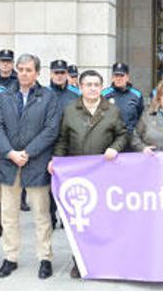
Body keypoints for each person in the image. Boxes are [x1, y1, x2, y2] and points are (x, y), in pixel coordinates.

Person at [49, 69, 127, 278]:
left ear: (102, 87)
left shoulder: (112, 111)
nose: (92, 88)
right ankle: (79, 261)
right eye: (88, 85)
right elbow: (62, 140)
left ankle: (103, 259)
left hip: (104, 174)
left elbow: (122, 134)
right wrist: (57, 161)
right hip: (77, 175)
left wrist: (116, 148)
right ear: (81, 87)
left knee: (103, 219)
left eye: (96, 85)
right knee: (78, 222)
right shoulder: (70, 110)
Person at [0, 53, 60, 280]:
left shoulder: (48, 97)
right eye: (20, 69)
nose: (23, 73)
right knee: (8, 215)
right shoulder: (4, 96)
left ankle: (45, 258)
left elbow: (51, 130)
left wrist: (28, 152)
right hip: (9, 163)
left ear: (37, 73)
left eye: (28, 70)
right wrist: (11, 153)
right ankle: (10, 257)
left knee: (41, 214)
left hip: (36, 163)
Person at [102, 62, 145, 135]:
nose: (118, 78)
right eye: (116, 75)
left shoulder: (137, 95)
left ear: (127, 77)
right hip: (110, 137)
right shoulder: (104, 94)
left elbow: (140, 117)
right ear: (112, 77)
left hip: (130, 138)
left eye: (122, 75)